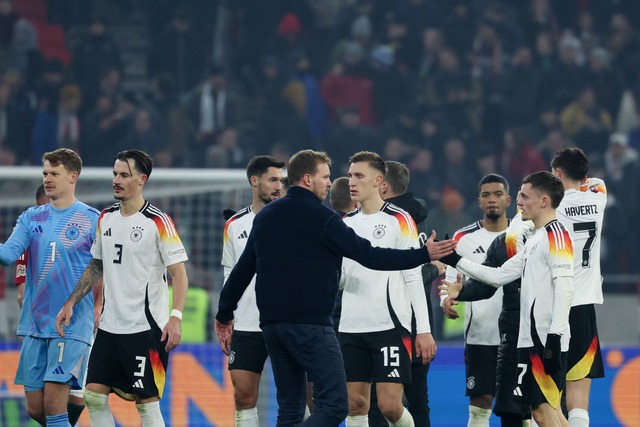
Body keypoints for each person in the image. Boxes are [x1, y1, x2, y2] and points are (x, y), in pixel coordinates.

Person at [215, 149, 456, 427]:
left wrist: (224, 313)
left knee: (291, 409)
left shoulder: (266, 217)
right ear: (308, 179)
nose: (332, 183)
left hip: (272, 327)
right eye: (326, 177)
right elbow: (370, 256)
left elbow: (243, 270)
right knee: (336, 405)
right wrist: (423, 255)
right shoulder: (324, 218)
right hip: (311, 326)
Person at [55, 149, 189, 426]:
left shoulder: (157, 222)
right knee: (93, 396)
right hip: (108, 328)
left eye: (124, 175)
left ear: (142, 180)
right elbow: (96, 266)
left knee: (146, 403)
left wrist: (175, 318)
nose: (116, 180)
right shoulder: (106, 218)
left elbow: (179, 274)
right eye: (115, 174)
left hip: (145, 329)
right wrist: (70, 302)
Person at [440, 171, 574, 426]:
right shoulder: (537, 238)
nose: (519, 202)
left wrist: (554, 338)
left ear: (544, 201)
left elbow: (566, 288)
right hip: (531, 338)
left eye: (524, 196)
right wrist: (454, 260)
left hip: (544, 338)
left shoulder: (556, 235)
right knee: (548, 412)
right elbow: (498, 275)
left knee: (545, 413)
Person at [0, 148, 100, 427]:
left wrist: (87, 304)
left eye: (55, 173)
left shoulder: (92, 219)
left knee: (55, 407)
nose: (48, 179)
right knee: (35, 409)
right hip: (35, 323)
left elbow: (100, 267)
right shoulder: (31, 217)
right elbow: (8, 254)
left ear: (72, 177)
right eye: (45, 173)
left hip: (69, 325)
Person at [339, 152, 436, 427]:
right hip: (351, 326)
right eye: (349, 175)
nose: (351, 182)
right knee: (355, 404)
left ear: (378, 181)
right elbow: (343, 277)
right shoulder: (345, 224)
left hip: (390, 326)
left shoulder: (399, 219)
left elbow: (413, 276)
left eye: (359, 176)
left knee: (390, 406)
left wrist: (424, 330)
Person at [438, 212, 533, 427]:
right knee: (502, 405)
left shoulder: (547, 237)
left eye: (525, 198)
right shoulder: (502, 242)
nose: (522, 205)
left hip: (531, 336)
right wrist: (452, 294)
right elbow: (491, 280)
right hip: (487, 334)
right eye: (521, 199)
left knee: (535, 408)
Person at [372, 160, 444, 427]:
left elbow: (399, 274)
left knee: (377, 402)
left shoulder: (388, 223)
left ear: (384, 185)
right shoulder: (422, 220)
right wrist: (432, 269)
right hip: (419, 320)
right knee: (416, 400)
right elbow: (427, 267)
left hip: (389, 322)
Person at [441, 174, 511, 426]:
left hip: (519, 336)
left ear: (508, 200)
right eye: (486, 195)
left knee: (522, 407)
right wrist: (446, 301)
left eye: (497, 194)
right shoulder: (463, 238)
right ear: (479, 201)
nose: (492, 199)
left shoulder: (523, 234)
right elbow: (450, 283)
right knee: (481, 401)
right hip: (480, 334)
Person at [220, 155, 284, 426]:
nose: (278, 186)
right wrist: (227, 316)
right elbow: (229, 273)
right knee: (244, 394)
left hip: (285, 321)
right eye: (272, 180)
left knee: (300, 396)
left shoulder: (292, 219)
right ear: (254, 181)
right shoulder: (234, 225)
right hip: (247, 323)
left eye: (281, 180)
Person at [550, 147, 607, 427]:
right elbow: (598, 184)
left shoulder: (549, 207)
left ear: (557, 173)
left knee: (546, 397)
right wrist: (584, 180)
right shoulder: (598, 201)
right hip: (584, 307)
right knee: (578, 399)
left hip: (552, 308)